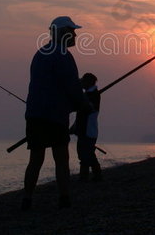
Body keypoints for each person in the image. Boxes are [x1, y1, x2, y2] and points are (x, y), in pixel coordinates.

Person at [22, 16, 86, 211]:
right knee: (61, 158)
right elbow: (72, 88)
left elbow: (49, 85)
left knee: (36, 159)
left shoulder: (40, 53)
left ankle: (27, 199)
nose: (75, 34)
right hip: (55, 116)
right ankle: (64, 199)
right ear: (62, 32)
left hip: (34, 114)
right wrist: (84, 105)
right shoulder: (63, 55)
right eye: (72, 31)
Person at [75, 73, 102, 182]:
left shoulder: (93, 95)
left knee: (85, 155)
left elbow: (88, 109)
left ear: (88, 82)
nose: (81, 82)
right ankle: (95, 175)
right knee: (86, 154)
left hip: (88, 131)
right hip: (84, 130)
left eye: (83, 81)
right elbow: (81, 114)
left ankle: (85, 177)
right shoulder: (88, 95)